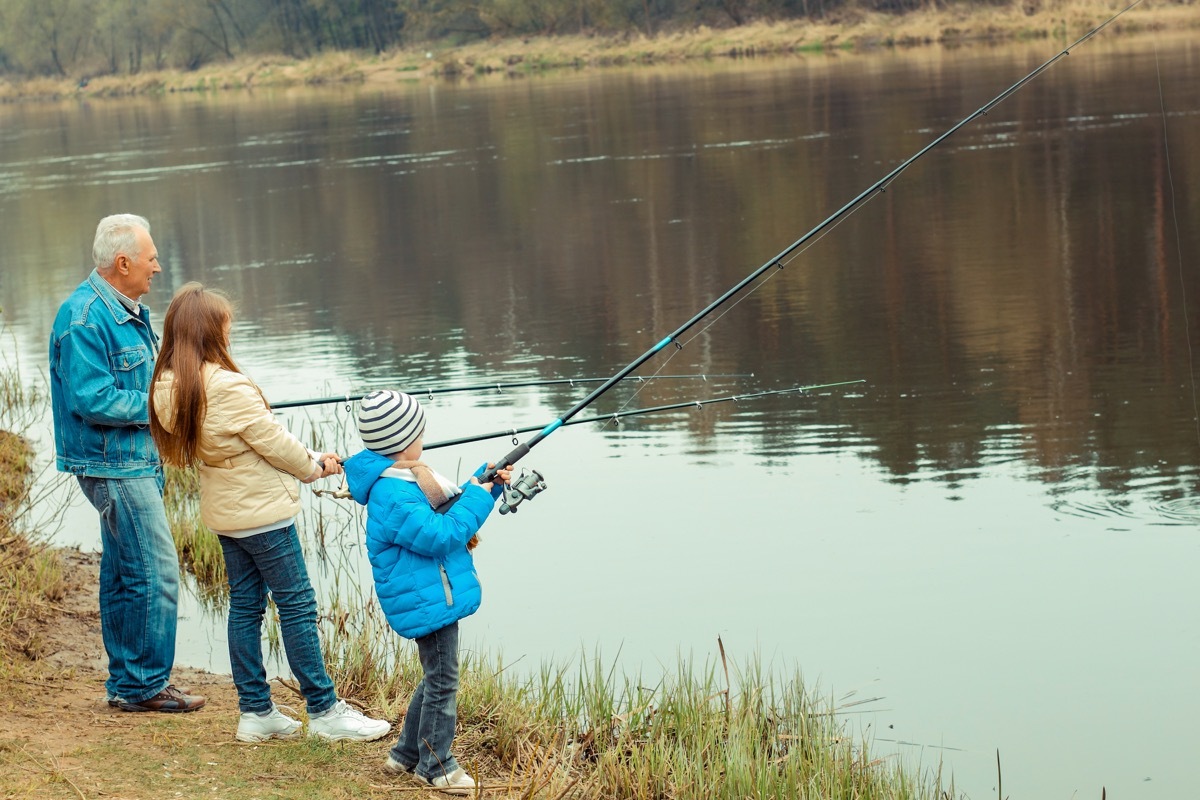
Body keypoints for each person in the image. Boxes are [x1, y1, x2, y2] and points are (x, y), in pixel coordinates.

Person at [148, 282, 391, 744]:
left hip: (226, 511)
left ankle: (256, 712)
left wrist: (309, 457)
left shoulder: (167, 387)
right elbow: (276, 445)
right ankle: (324, 711)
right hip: (262, 515)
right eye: (226, 326)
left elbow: (245, 443)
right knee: (298, 604)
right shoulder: (227, 386)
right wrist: (315, 465)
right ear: (209, 333)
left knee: (245, 607)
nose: (230, 331)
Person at [49, 214, 206, 713]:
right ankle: (146, 685)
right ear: (123, 263)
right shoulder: (84, 319)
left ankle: (127, 683)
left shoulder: (125, 308)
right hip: (112, 465)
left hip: (134, 459)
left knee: (122, 571)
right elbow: (91, 398)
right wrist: (162, 408)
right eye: (151, 258)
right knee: (156, 571)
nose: (157, 267)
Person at [343, 390, 510, 795]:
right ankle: (435, 765)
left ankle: (405, 754)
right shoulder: (394, 493)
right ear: (402, 442)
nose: (423, 439)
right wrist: (476, 497)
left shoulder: (402, 479)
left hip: (431, 593)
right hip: (426, 598)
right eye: (419, 432)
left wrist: (481, 485)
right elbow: (441, 534)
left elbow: (442, 512)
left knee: (437, 674)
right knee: (443, 679)